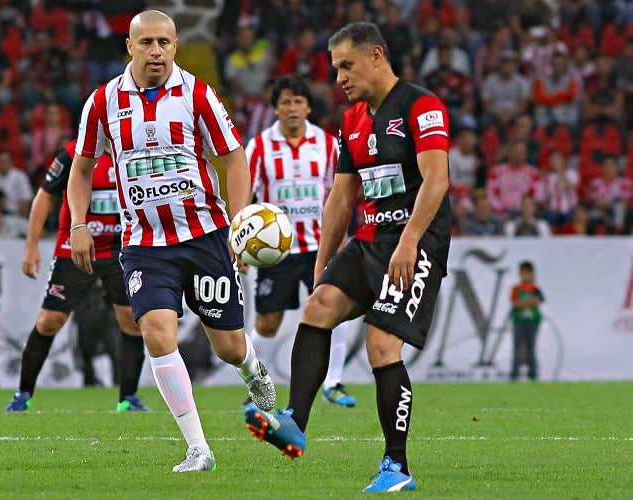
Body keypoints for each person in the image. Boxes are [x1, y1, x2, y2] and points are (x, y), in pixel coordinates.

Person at [244, 22, 452, 493]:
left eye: (346, 65)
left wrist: (410, 240)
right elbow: (341, 198)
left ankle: (397, 467)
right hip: (371, 238)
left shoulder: (422, 106)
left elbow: (436, 181)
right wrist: (323, 262)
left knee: (381, 344)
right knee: (317, 308)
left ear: (376, 56)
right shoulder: (352, 120)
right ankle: (294, 424)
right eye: (335, 67)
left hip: (416, 243)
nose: (338, 76)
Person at [67, 10, 275, 473]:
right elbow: (80, 170)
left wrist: (239, 221)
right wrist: (79, 224)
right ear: (130, 46)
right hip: (144, 243)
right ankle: (198, 449)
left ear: (176, 46)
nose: (156, 51)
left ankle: (252, 370)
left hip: (204, 236)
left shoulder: (198, 94)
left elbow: (235, 159)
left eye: (164, 42)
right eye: (147, 43)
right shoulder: (102, 102)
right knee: (157, 333)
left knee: (229, 347)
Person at [4, 139, 149, 413]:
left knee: (131, 319)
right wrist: (31, 246)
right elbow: (45, 195)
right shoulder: (74, 153)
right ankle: (23, 394)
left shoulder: (135, 151)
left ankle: (128, 398)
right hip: (76, 247)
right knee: (50, 321)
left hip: (121, 248)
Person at [244, 75, 356, 408]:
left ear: (308, 107)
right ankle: (257, 388)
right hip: (274, 252)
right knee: (267, 322)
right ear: (275, 108)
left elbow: (341, 195)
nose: (292, 108)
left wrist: (343, 240)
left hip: (321, 246)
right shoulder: (259, 147)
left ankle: (333, 383)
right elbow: (245, 196)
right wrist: (240, 246)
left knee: (335, 312)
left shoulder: (327, 144)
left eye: (298, 102)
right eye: (285, 102)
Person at [509, 261, 544, 381]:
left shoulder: (535, 289)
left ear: (532, 274)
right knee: (517, 348)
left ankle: (533, 374)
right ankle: (514, 374)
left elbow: (538, 302)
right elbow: (515, 302)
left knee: (531, 348)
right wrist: (529, 303)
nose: (525, 276)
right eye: (522, 273)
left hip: (533, 322)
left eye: (527, 273)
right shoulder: (516, 288)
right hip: (519, 322)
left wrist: (523, 303)